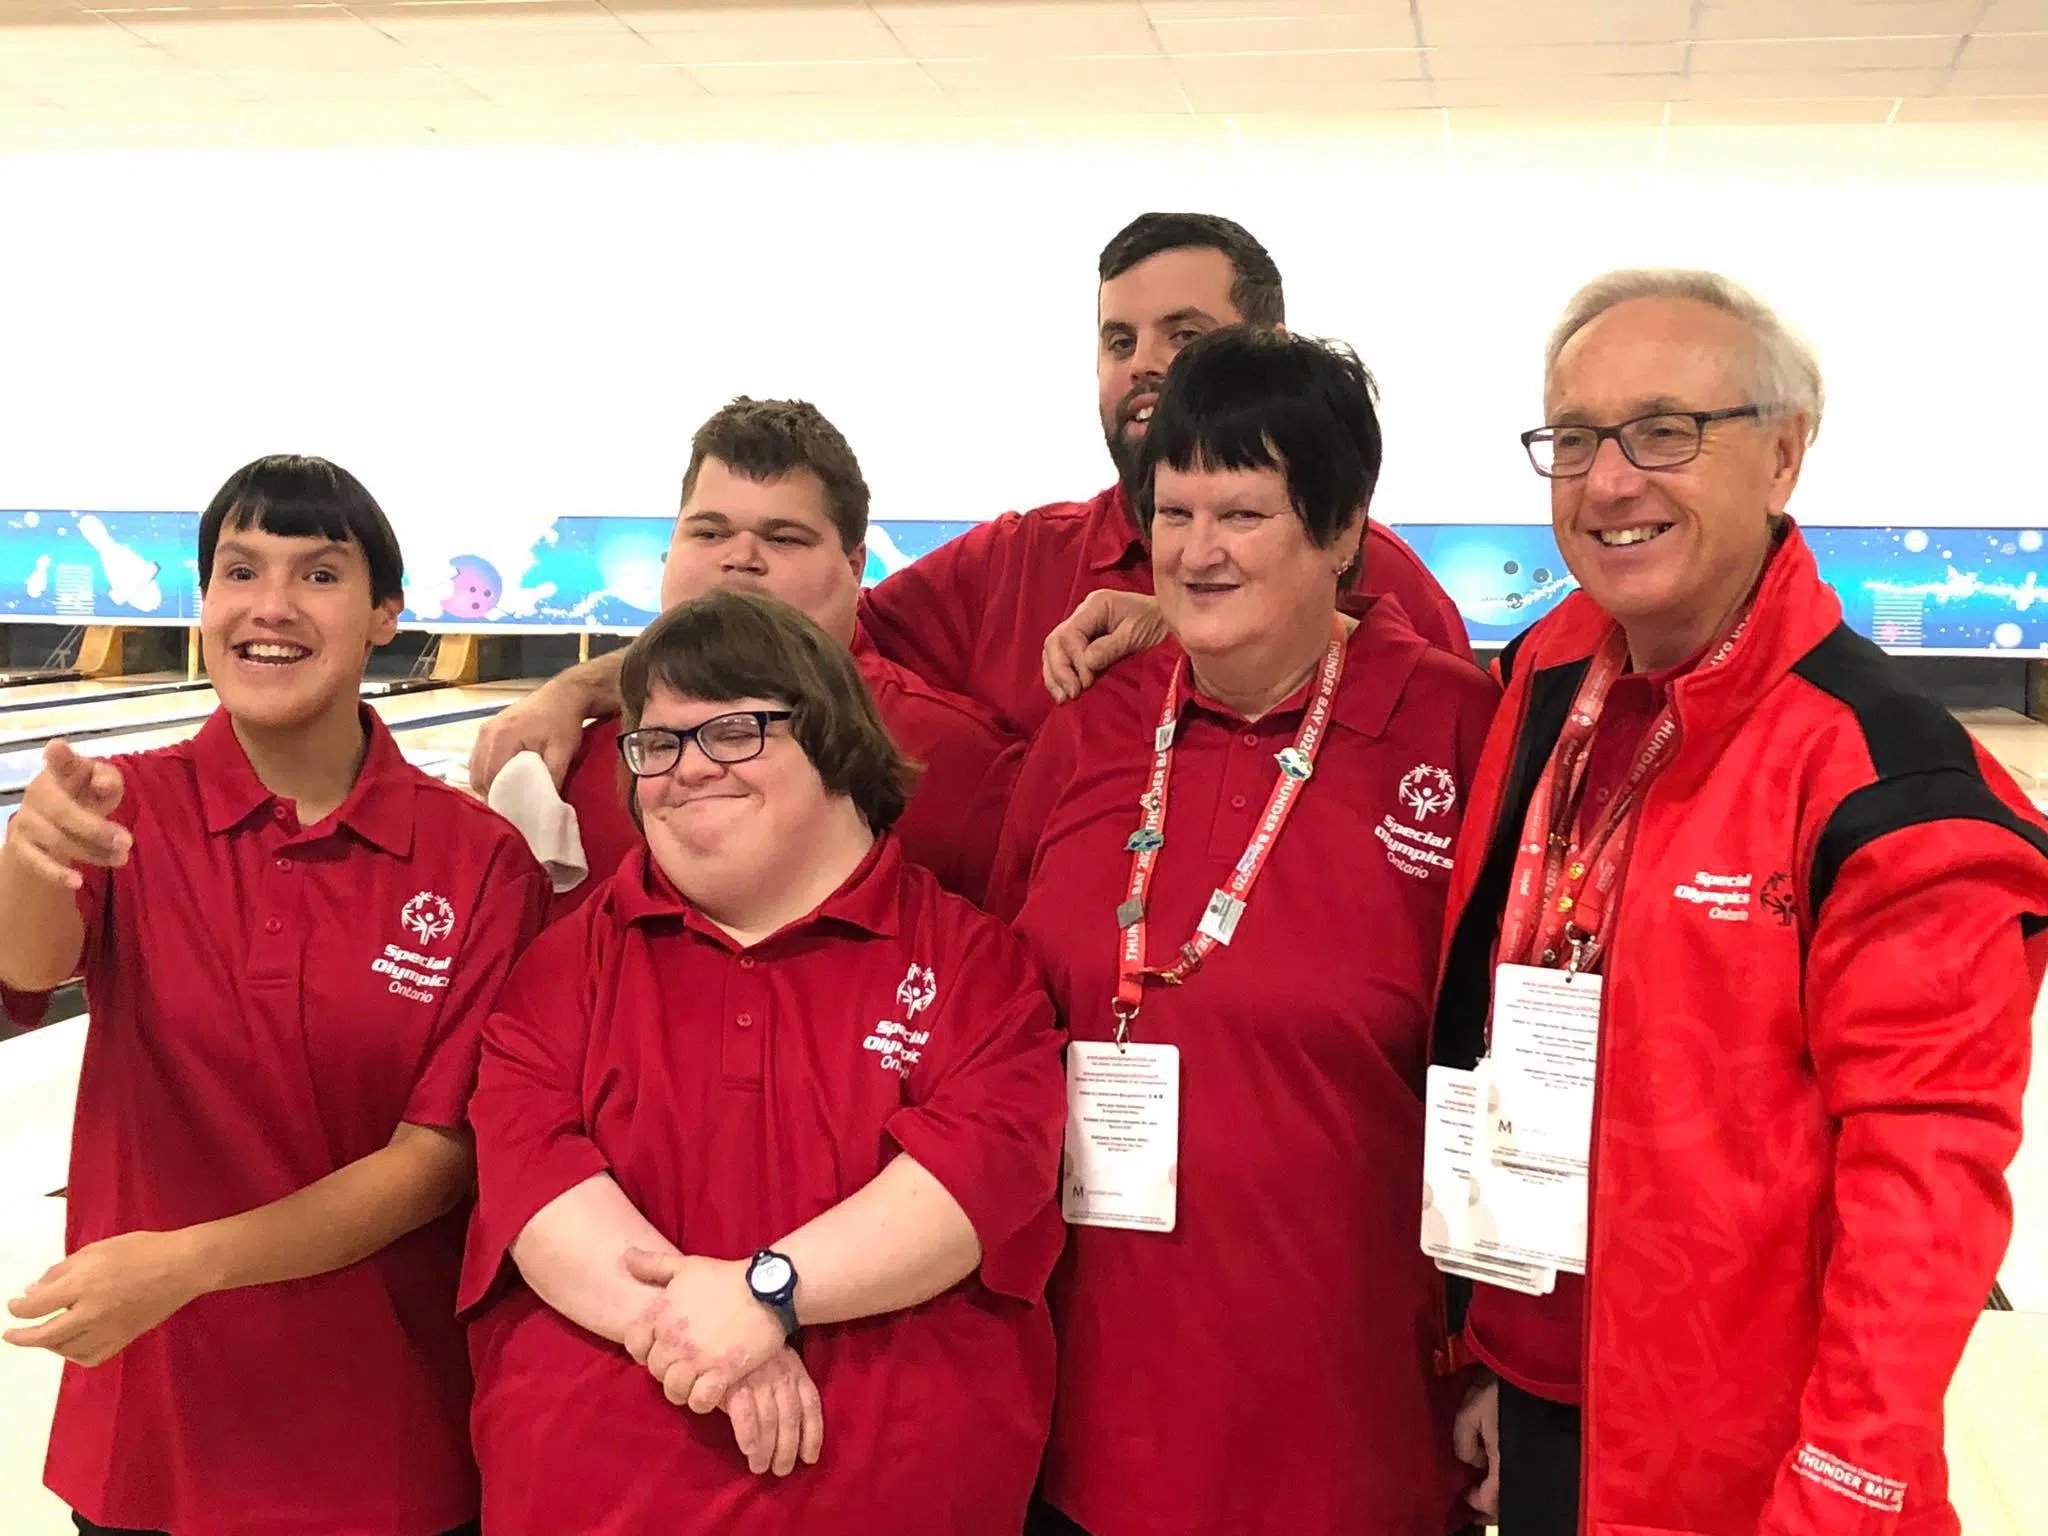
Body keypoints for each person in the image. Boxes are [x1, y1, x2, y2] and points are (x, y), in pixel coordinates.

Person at [1431, 269, 2046, 1536]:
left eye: (1664, 432)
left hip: (1753, 1463)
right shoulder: (1548, 679)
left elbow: (1922, 1191)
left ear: (1780, 456)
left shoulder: (1888, 776)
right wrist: (1493, 1350)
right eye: (1575, 438)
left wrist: (1846, 1485)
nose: (1608, 480)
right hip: (1551, 1393)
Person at [988, 327, 1498, 1536]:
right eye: (1173, 511)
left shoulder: (1453, 731)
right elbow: (999, 1008)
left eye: (1244, 512)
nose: (1197, 551)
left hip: (1349, 1422)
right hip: (1082, 1412)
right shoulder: (1092, 722)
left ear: (1338, 531)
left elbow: (1512, 1067)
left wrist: (1506, 1350)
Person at [0, 455, 550, 1536]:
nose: (271, 606)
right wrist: (31, 855)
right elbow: (25, 968)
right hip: (154, 1437)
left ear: (386, 612)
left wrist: (188, 1263)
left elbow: (436, 1163)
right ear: (203, 604)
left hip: (383, 1442)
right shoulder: (129, 810)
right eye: (240, 571)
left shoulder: (477, 862)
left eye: (319, 575)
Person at [463, 212, 1469, 792]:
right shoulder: (1017, 562)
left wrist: (1205, 630)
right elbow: (784, 636)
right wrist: (569, 691)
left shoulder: (1375, 579)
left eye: (1184, 336)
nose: (1146, 369)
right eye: (1118, 342)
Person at [459, 589, 1068, 1535]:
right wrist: (714, 1328)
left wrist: (765, 1293)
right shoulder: (567, 966)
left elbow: (978, 1176)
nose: (689, 769)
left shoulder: (975, 965)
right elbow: (531, 1178)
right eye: (657, 744)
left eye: (734, 731)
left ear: (831, 739)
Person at [498, 396, 1019, 913]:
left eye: (784, 538)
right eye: (710, 532)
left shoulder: (962, 765)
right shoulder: (565, 758)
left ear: (855, 566)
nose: (740, 558)